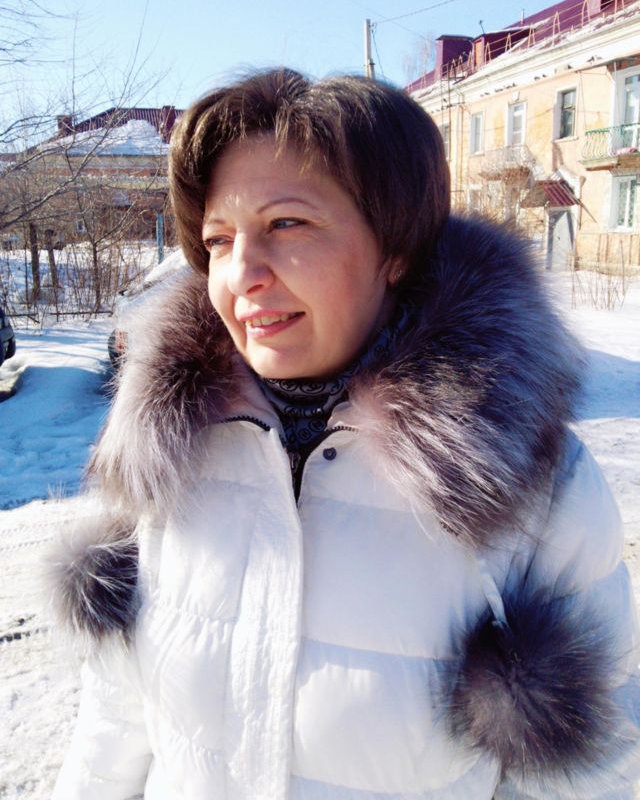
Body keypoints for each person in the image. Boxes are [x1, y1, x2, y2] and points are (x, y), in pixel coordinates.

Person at [51, 68, 640, 800]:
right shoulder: (167, 449)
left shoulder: (528, 480)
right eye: (219, 240)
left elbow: (592, 770)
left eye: (286, 224)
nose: (242, 273)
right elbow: (115, 720)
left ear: (395, 249)